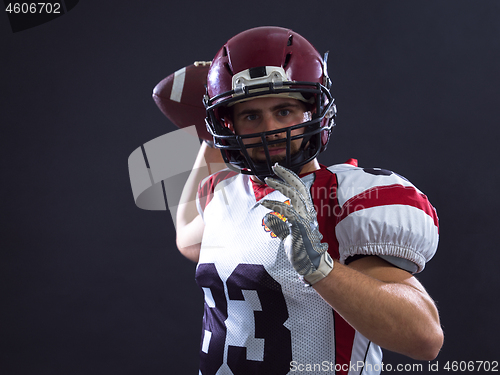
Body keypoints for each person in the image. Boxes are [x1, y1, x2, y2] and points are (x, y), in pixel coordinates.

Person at [175, 26, 443, 375]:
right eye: (251, 116)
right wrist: (208, 125)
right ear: (229, 125)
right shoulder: (225, 192)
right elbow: (187, 238)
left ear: (312, 112)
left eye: (284, 111)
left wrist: (320, 268)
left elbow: (424, 338)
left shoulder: (340, 197)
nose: (269, 128)